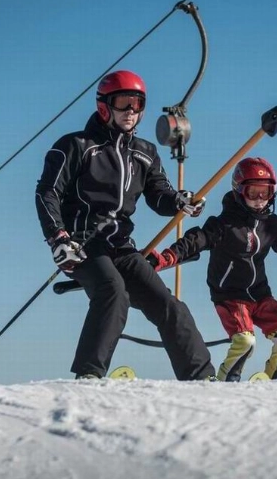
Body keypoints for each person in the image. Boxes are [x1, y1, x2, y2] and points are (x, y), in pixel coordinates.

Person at [35, 70, 216, 381]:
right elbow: (47, 192)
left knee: (169, 305)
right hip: (82, 245)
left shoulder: (144, 153)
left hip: (121, 246)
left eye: (137, 103)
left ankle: (201, 377)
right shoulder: (76, 145)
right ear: (104, 105)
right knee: (112, 290)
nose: (131, 111)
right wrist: (58, 238)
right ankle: (89, 374)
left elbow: (159, 196)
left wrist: (179, 201)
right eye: (123, 103)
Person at [147, 157, 277, 381]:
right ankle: (227, 382)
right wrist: (165, 258)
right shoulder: (224, 225)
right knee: (245, 341)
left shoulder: (273, 225)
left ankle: (276, 381)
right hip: (230, 296)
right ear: (238, 191)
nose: (259, 200)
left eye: (265, 193)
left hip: (260, 294)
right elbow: (194, 242)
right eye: (252, 192)